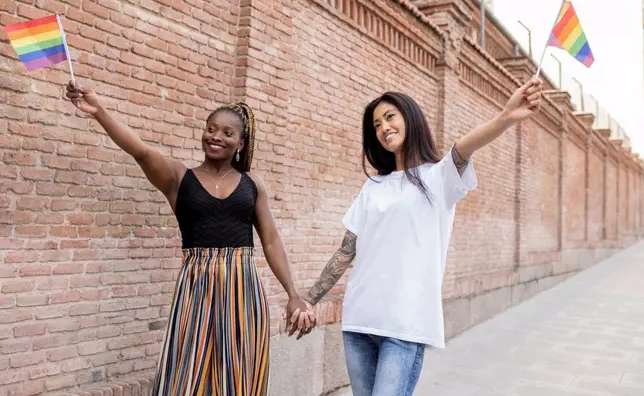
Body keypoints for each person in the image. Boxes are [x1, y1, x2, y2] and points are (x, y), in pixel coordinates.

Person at [65, 83, 315, 396]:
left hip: (243, 288)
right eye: (211, 129)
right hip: (195, 286)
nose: (216, 137)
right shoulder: (178, 177)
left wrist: (293, 293)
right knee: (185, 376)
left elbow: (271, 241)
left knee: (239, 377)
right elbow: (140, 151)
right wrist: (99, 111)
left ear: (240, 143)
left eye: (227, 133)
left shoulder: (253, 184)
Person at [299, 77, 544, 395]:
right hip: (359, 322)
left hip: (405, 326)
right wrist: (309, 299)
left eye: (390, 117)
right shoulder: (372, 188)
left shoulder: (438, 178)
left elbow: (463, 148)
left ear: (409, 118)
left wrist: (506, 117)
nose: (383, 127)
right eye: (376, 124)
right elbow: (346, 250)